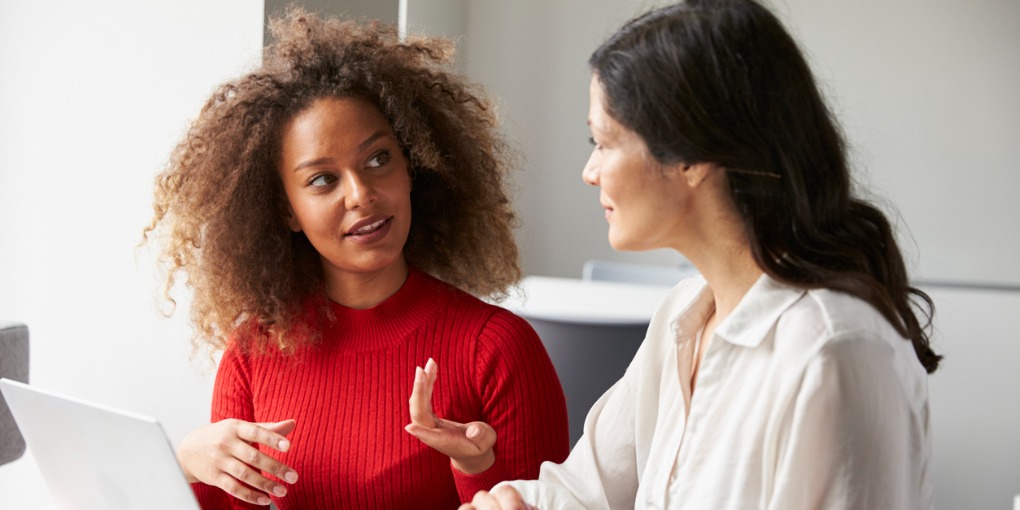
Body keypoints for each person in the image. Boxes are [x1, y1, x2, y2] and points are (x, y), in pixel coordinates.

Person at [448, 0, 942, 508]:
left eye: (603, 142)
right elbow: (584, 490)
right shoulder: (683, 316)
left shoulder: (833, 352)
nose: (590, 171)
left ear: (691, 159)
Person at [144, 9, 569, 509]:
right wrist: (184, 463)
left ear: (411, 167)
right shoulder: (253, 351)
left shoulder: (496, 349)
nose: (361, 194)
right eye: (323, 180)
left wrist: (474, 469)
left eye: (378, 159)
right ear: (287, 211)